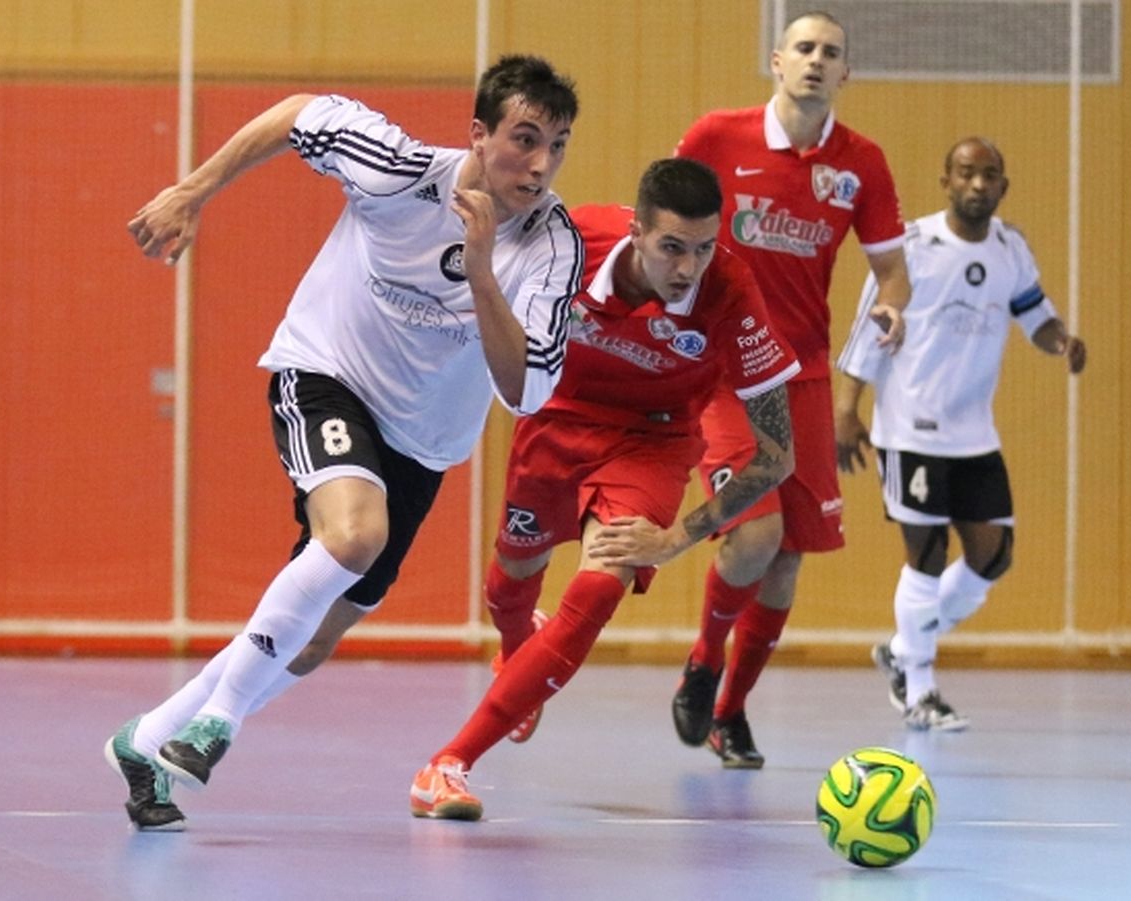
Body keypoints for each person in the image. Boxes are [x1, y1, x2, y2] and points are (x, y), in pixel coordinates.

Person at [103, 55, 582, 831]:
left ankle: (146, 738)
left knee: (313, 635)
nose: (539, 163)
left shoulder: (551, 243)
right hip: (327, 375)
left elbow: (525, 391)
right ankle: (216, 723)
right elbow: (297, 112)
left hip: (423, 445)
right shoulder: (396, 168)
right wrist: (192, 191)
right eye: (524, 139)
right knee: (356, 535)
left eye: (556, 146)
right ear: (478, 134)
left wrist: (487, 271)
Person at [408, 158, 800, 820]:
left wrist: (676, 538)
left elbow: (778, 455)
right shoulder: (574, 236)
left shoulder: (729, 290)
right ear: (638, 229)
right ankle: (517, 647)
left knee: (597, 586)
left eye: (703, 248)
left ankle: (447, 762)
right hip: (557, 417)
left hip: (653, 440)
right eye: (672, 247)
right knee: (509, 584)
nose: (687, 267)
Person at [670, 10, 910, 767]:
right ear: (777, 62)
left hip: (800, 374)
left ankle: (730, 711)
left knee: (786, 560)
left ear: (846, 74)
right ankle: (705, 660)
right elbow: (664, 227)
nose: (815, 61)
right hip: (721, 370)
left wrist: (894, 307)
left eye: (830, 53)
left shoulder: (861, 163)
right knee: (757, 534)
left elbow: (891, 269)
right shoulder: (716, 138)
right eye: (803, 48)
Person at [834, 137, 1088, 731]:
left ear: (1004, 185)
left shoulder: (1010, 248)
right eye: (967, 174)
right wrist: (846, 410)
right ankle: (919, 687)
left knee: (992, 557)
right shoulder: (912, 248)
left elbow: (1035, 314)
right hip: (911, 427)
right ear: (946, 181)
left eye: (990, 175)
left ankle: (900, 649)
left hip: (974, 434)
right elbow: (866, 330)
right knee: (926, 556)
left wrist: (1061, 341)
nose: (978, 185)